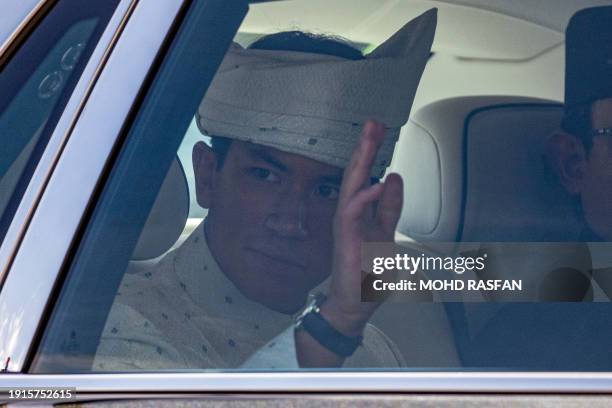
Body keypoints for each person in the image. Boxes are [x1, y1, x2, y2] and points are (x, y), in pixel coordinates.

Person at [93, 9, 437, 370]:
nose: (291, 222)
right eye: (264, 175)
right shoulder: (118, 329)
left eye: (328, 190)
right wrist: (332, 331)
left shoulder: (374, 351)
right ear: (208, 176)